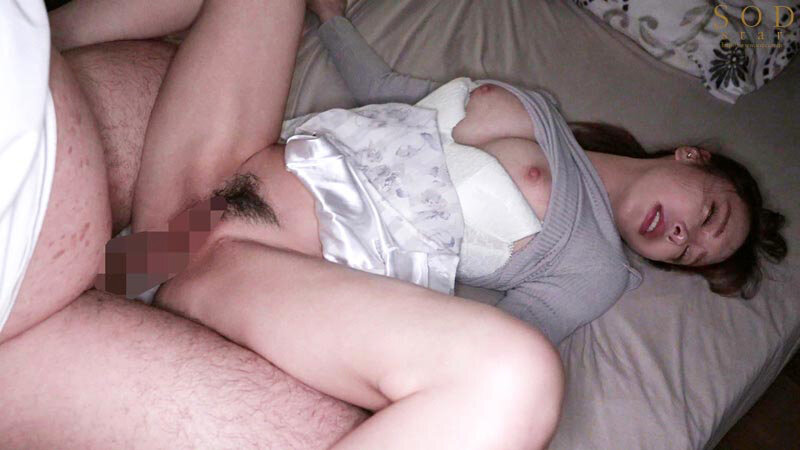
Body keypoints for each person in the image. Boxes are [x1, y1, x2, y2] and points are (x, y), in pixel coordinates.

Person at [2, 0, 564, 448]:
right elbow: (397, 93)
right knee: (508, 379)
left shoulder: (598, 257)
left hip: (251, 268)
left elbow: (531, 322)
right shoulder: (544, 120)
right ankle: (51, 40)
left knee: (509, 379)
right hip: (222, 184)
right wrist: (334, 22)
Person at [304, 0, 787, 302]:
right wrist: (331, 18)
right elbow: (388, 93)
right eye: (708, 215)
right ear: (692, 155)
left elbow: (496, 350)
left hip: (317, 250)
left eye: (686, 255)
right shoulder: (541, 110)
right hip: (299, 149)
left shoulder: (597, 272)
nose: (681, 237)